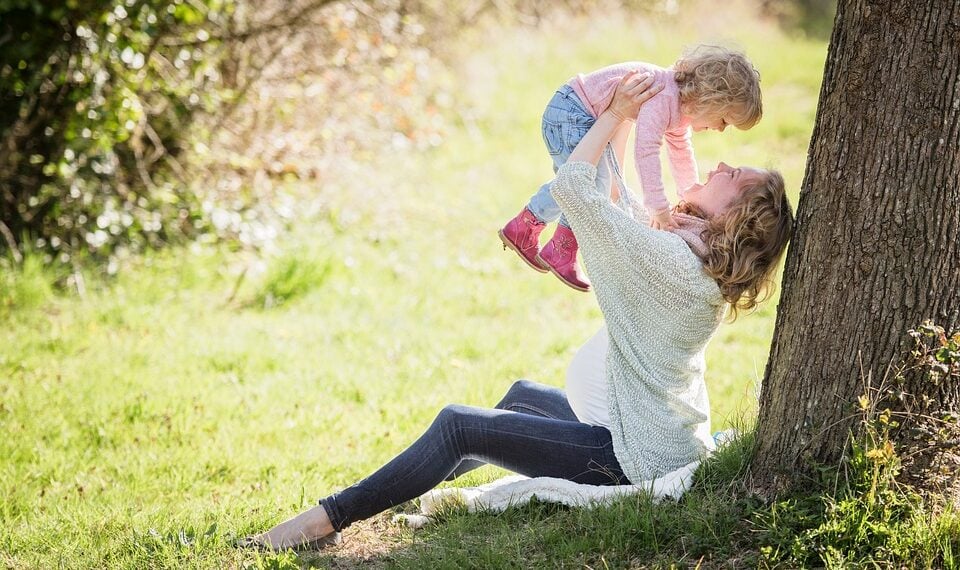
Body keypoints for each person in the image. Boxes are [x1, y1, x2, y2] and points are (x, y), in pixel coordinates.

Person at [240, 71, 792, 552]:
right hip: (645, 431)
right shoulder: (693, 259)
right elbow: (626, 208)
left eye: (735, 176)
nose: (721, 163)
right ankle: (392, 490)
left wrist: (618, 114)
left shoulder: (672, 262)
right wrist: (629, 123)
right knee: (521, 397)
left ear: (735, 219)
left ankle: (326, 519)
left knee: (460, 425)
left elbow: (576, 188)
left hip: (629, 456)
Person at [498, 45, 762, 292]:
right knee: (585, 183)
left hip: (579, 114)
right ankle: (552, 242)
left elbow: (681, 152)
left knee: (588, 183)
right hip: (571, 113)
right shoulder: (665, 97)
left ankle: (535, 232)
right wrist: (657, 207)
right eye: (724, 120)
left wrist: (689, 193)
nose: (719, 129)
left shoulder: (679, 108)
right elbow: (646, 151)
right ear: (710, 100)